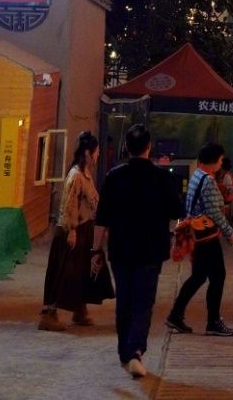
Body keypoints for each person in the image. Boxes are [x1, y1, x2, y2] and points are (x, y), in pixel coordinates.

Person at [92, 123, 184, 381]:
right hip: (151, 251)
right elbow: (178, 211)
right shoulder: (162, 178)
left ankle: (125, 352)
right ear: (149, 147)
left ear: (126, 147)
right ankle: (135, 351)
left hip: (121, 250)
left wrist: (95, 250)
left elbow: (102, 218)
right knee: (143, 302)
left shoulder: (114, 176)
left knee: (125, 300)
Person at [166, 142, 233, 337]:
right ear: (214, 161)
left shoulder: (197, 175)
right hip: (206, 237)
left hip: (196, 236)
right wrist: (230, 233)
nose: (221, 163)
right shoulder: (208, 181)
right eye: (220, 160)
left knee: (198, 276)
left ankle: (176, 315)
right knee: (218, 276)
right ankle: (213, 322)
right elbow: (215, 213)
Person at [39, 130, 102, 331]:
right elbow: (69, 205)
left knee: (81, 272)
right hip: (71, 231)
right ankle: (49, 314)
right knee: (63, 273)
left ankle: (79, 309)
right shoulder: (76, 176)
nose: (98, 154)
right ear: (87, 153)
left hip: (84, 229)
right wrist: (72, 230)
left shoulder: (86, 174)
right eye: (96, 151)